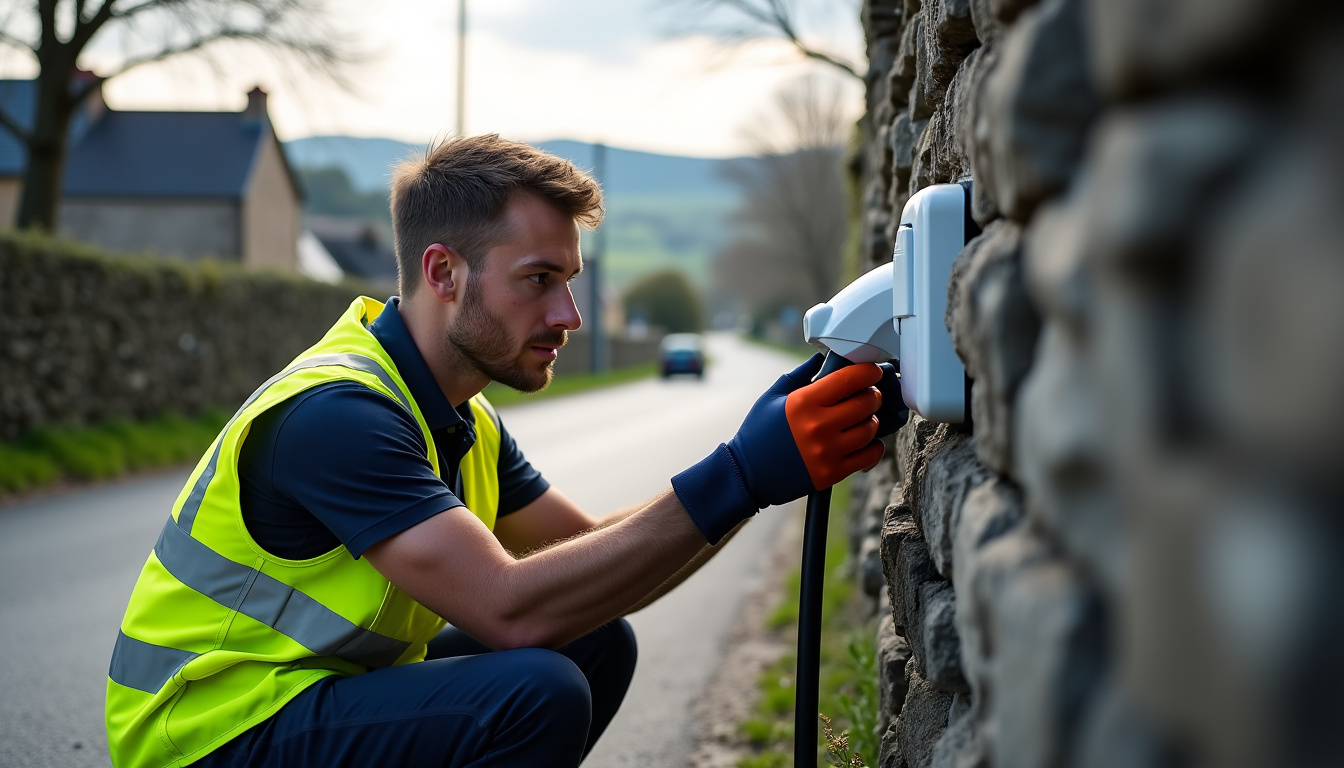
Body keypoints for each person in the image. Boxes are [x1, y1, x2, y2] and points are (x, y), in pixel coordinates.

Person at [106, 134, 898, 768]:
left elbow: (596, 560)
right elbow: (511, 609)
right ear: (443, 272)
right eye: (538, 279)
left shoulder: (459, 415)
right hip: (205, 737)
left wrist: (756, 454)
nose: (570, 314)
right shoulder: (338, 415)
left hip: (304, 702)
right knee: (536, 686)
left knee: (589, 639)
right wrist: (742, 474)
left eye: (572, 280)